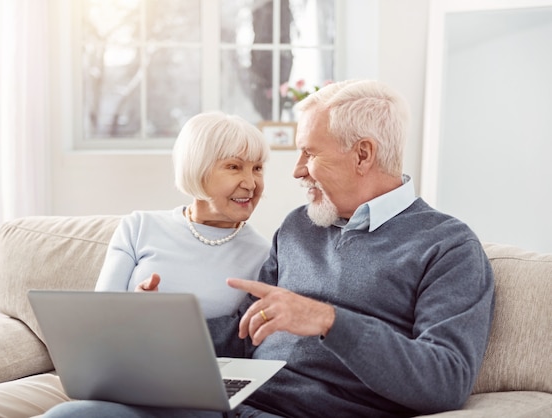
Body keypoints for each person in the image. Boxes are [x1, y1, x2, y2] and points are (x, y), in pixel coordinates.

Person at [43, 79, 496, 418]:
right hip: (233, 405)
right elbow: (244, 333)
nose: (297, 171)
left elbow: (446, 379)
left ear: (362, 155)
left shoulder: (448, 247)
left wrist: (327, 321)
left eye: (309, 154)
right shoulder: (300, 227)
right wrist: (155, 330)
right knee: (70, 415)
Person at [0, 111, 272, 418]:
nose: (251, 182)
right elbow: (99, 322)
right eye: (234, 166)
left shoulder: (265, 254)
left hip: (194, 398)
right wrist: (137, 309)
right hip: (115, 379)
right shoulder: (140, 227)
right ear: (197, 168)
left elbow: (251, 346)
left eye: (257, 168)